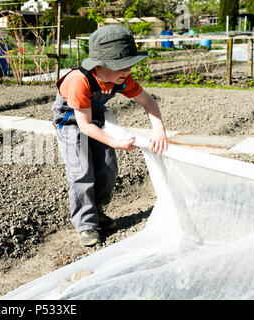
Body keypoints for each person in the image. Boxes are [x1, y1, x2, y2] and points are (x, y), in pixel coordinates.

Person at [53, 25, 168, 247]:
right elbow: (83, 125)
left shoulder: (122, 79)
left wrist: (159, 129)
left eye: (129, 65)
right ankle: (86, 224)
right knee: (81, 171)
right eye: (121, 67)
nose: (127, 71)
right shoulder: (80, 81)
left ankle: (97, 210)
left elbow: (148, 101)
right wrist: (115, 142)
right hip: (71, 120)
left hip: (94, 116)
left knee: (107, 166)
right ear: (99, 66)